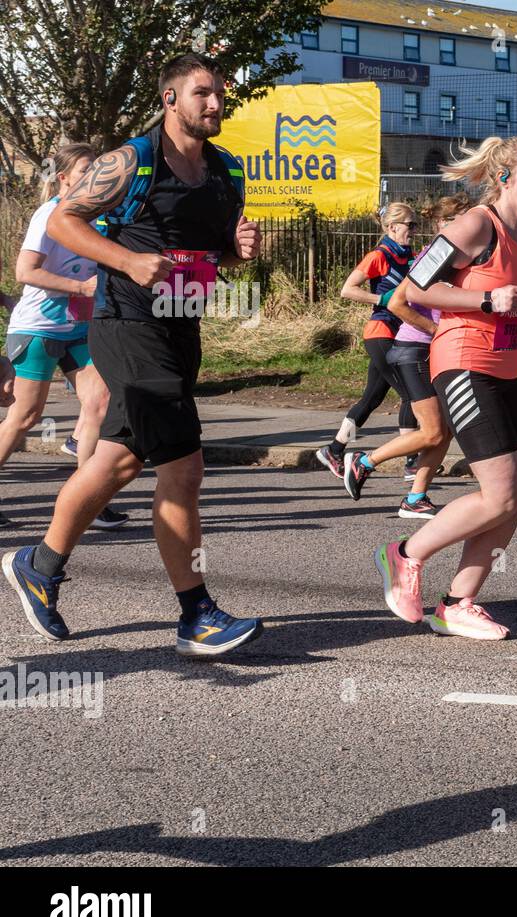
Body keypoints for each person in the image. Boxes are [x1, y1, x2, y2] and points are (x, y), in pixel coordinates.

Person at [3, 53, 264, 656]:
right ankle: (196, 615)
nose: (216, 104)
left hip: (179, 325)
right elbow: (65, 220)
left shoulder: (226, 171)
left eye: (220, 95)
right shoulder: (131, 160)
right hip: (125, 324)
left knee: (118, 460)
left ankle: (38, 565)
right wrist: (124, 261)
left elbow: (213, 257)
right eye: (202, 93)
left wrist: (238, 251)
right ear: (171, 99)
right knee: (185, 469)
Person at [371, 136, 517, 640]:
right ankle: (405, 554)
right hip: (464, 363)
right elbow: (415, 289)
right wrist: (486, 299)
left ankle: (457, 603)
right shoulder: (474, 224)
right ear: (505, 177)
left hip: (508, 367)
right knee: (499, 494)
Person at [0, 143, 127, 530]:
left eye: (97, 171)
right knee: (25, 417)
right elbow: (25, 272)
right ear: (64, 178)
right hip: (37, 327)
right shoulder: (49, 215)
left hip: (79, 329)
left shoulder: (93, 216)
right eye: (85, 171)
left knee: (100, 403)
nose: (92, 178)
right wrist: (81, 288)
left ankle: (87, 498)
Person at [343, 197, 473, 518]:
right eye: (459, 221)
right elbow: (400, 302)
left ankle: (416, 498)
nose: (468, 227)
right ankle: (363, 462)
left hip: (437, 351)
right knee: (432, 431)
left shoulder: (457, 256)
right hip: (414, 350)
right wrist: (435, 329)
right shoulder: (436, 254)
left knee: (446, 430)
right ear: (442, 225)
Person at [315, 204, 420, 480]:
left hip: (397, 333)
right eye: (410, 224)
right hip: (381, 332)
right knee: (413, 393)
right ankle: (412, 461)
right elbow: (347, 289)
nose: (414, 230)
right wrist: (381, 300)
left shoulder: (409, 256)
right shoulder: (380, 256)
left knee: (371, 398)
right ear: (392, 227)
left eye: (416, 224)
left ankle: (334, 450)